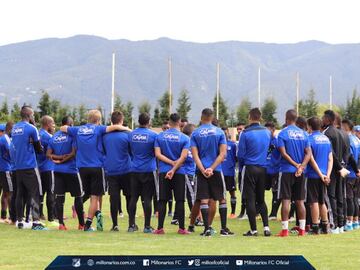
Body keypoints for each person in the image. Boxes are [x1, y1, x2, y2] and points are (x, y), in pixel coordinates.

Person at [60, 109, 128, 232]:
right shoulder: (99, 129)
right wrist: (128, 130)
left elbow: (63, 128)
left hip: (81, 167)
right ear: (98, 120)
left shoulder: (78, 129)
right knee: (95, 196)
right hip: (97, 166)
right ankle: (88, 224)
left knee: (84, 194)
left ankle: (87, 216)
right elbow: (115, 127)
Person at [191, 108, 233, 236]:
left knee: (203, 200)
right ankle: (224, 229)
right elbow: (223, 154)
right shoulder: (219, 132)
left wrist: (203, 169)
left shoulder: (195, 133)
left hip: (201, 170)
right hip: (216, 170)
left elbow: (195, 155)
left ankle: (207, 229)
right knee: (222, 199)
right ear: (212, 117)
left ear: (201, 117)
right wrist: (212, 168)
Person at [153, 113, 190, 235]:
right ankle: (182, 228)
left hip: (164, 171)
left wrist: (170, 164)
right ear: (179, 122)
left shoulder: (160, 136)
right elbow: (184, 157)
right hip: (179, 171)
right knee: (180, 200)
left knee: (162, 200)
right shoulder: (185, 138)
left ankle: (160, 228)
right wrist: (174, 167)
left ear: (169, 122)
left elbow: (158, 155)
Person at [277, 109, 311, 237]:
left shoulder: (283, 133)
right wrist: (301, 166)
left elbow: (283, 153)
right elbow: (308, 153)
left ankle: (285, 230)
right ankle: (302, 230)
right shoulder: (304, 134)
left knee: (286, 200)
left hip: (286, 170)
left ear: (286, 118)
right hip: (300, 172)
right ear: (296, 119)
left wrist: (295, 165)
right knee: (300, 201)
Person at [11, 106, 47, 230]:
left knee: (19, 194)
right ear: (29, 115)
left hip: (17, 166)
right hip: (30, 165)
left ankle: (19, 221)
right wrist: (39, 147)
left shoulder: (15, 128)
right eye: (33, 115)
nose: (34, 117)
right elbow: (39, 149)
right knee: (35, 192)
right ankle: (36, 222)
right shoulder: (32, 128)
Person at [47, 116, 85, 230]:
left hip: (57, 171)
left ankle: (61, 224)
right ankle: (81, 224)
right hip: (72, 170)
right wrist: (62, 159)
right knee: (78, 197)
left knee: (60, 198)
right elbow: (73, 153)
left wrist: (57, 159)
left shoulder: (54, 137)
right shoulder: (72, 135)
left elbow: (48, 154)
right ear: (70, 125)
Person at [238, 108, 271, 236]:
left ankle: (254, 230)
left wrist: (241, 168)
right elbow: (271, 148)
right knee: (261, 199)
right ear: (260, 117)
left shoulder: (245, 133)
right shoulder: (267, 132)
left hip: (250, 167)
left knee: (250, 199)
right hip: (263, 168)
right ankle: (266, 228)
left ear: (249, 117)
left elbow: (240, 154)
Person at [128, 113, 157, 233]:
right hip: (149, 169)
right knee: (147, 198)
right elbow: (156, 152)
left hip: (134, 169)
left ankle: (131, 225)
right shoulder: (153, 135)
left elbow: (129, 151)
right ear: (148, 121)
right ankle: (147, 226)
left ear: (139, 121)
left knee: (133, 198)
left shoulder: (131, 134)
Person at [102, 111, 132, 232]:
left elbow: (104, 151)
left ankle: (115, 225)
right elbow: (131, 151)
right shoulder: (127, 135)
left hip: (111, 170)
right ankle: (131, 224)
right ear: (121, 121)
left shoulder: (105, 136)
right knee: (129, 197)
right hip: (126, 170)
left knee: (113, 198)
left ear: (112, 121)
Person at [322, 110, 350, 233]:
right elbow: (346, 151)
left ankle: (333, 225)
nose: (321, 119)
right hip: (340, 168)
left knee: (331, 196)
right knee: (340, 196)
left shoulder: (327, 133)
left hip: (332, 168)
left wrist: (338, 167)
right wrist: (343, 165)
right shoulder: (341, 133)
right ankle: (341, 224)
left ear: (328, 120)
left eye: (323, 117)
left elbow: (330, 152)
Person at [306, 117, 332, 234]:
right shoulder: (326, 139)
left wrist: (320, 175)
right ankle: (325, 226)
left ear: (309, 127)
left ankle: (315, 226)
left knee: (314, 202)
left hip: (313, 175)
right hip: (325, 175)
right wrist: (327, 175)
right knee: (322, 201)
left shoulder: (309, 139)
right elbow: (330, 159)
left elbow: (311, 159)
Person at [341, 119, 360, 231]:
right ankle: (355, 221)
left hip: (350, 173)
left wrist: (355, 169)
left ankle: (349, 222)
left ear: (346, 126)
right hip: (356, 173)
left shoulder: (348, 139)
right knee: (354, 198)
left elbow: (350, 157)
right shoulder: (357, 140)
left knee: (349, 198)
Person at [37, 115, 56, 225]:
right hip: (48, 167)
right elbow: (54, 151)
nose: (54, 125)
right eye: (52, 123)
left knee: (40, 192)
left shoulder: (38, 134)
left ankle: (40, 214)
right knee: (51, 192)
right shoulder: (49, 136)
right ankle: (51, 217)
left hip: (38, 167)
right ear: (48, 124)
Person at [265, 122, 281, 220]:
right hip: (264, 170)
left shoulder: (277, 142)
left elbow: (282, 155)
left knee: (275, 192)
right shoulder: (264, 141)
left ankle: (273, 213)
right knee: (259, 192)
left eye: (268, 130)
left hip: (275, 170)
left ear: (273, 130)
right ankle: (259, 212)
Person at [221, 127, 237, 219]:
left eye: (225, 133)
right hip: (220, 172)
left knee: (232, 192)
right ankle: (223, 212)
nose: (224, 134)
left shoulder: (233, 145)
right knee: (221, 194)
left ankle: (233, 212)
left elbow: (236, 157)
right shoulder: (218, 145)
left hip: (230, 172)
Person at [0, 121, 14, 223]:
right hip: (6, 169)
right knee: (9, 193)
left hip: (2, 169)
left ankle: (3, 216)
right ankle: (11, 217)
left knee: (5, 194)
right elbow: (11, 153)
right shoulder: (5, 139)